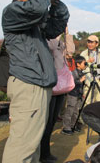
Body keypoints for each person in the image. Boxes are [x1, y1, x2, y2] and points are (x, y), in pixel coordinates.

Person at [1, 0, 69, 163]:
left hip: (40, 84)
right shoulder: (12, 12)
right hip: (27, 84)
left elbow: (56, 27)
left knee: (33, 144)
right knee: (21, 147)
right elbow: (37, 8)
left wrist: (55, 0)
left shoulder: (35, 19)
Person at [40, 27, 75, 163]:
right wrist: (58, 32)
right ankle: (43, 153)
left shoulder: (61, 41)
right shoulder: (47, 36)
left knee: (53, 120)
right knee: (46, 121)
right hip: (50, 82)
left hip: (60, 85)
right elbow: (51, 46)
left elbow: (71, 51)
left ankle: (45, 152)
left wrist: (67, 33)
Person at [61, 55, 87, 136]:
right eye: (84, 63)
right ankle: (66, 128)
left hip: (79, 95)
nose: (85, 65)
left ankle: (73, 125)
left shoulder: (82, 73)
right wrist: (80, 80)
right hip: (72, 94)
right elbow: (72, 83)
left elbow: (82, 85)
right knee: (70, 111)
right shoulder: (73, 72)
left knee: (76, 111)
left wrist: (83, 93)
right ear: (78, 64)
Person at [80, 35, 100, 105]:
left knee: (99, 102)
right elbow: (80, 68)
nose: (89, 44)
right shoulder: (83, 54)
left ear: (97, 44)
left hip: (99, 80)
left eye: (92, 42)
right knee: (87, 102)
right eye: (88, 42)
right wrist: (87, 62)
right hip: (88, 81)